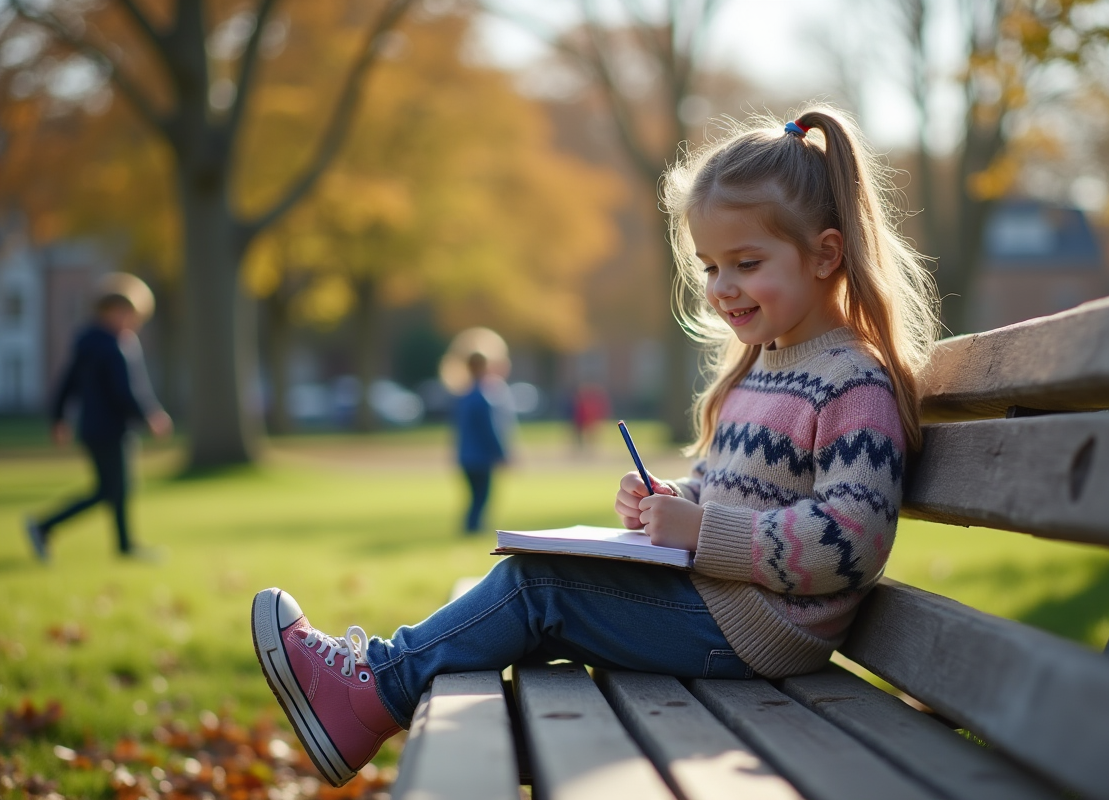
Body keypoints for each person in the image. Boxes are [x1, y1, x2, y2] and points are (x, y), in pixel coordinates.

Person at [249, 104, 940, 787]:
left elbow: (848, 543)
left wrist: (703, 531)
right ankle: (370, 695)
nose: (721, 289)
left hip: (762, 631)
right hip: (727, 607)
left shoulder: (852, 382)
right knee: (539, 583)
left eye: (745, 263)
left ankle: (373, 691)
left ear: (825, 253)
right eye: (708, 268)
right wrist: (675, 502)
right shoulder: (765, 365)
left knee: (538, 588)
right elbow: (727, 489)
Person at [24, 274, 172, 561]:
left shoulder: (90, 343)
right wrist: (150, 415)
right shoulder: (113, 346)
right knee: (108, 490)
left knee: (118, 488)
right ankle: (43, 526)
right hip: (110, 429)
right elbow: (125, 391)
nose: (135, 324)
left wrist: (59, 418)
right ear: (115, 312)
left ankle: (125, 546)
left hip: (94, 429)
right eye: (133, 317)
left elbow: (67, 383)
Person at [454, 351, 510, 533]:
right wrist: (501, 453)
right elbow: (489, 430)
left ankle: (471, 527)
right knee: (481, 496)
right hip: (480, 457)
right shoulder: (482, 397)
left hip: (465, 455)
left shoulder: (463, 396)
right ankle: (473, 529)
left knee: (474, 496)